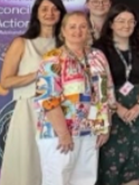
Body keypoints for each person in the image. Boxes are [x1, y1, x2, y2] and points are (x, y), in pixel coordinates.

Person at [34, 11, 114, 185]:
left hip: (90, 132)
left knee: (85, 181)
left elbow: (106, 92)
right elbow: (48, 100)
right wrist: (63, 134)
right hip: (58, 134)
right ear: (62, 31)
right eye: (72, 27)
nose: (78, 31)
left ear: (89, 30)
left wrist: (104, 126)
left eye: (83, 26)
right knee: (57, 180)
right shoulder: (53, 59)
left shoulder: (98, 56)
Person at [0, 0, 66, 185]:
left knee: (55, 163)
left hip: (60, 111)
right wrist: (37, 74)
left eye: (55, 9)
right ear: (36, 13)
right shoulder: (21, 43)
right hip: (29, 109)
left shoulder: (66, 46)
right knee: (27, 161)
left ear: (61, 13)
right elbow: (5, 81)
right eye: (44, 9)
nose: (50, 13)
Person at [95, 4, 139, 185]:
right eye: (121, 21)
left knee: (137, 160)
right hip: (110, 108)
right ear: (111, 24)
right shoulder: (100, 48)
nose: (126, 25)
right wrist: (116, 107)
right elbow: (98, 82)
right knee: (110, 161)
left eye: (131, 21)